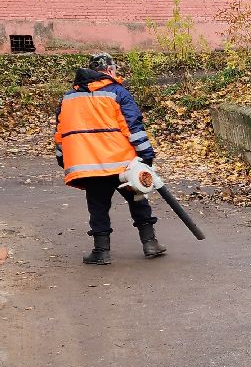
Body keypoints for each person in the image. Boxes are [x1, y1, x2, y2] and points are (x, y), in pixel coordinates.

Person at [53, 52, 167, 264]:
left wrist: (63, 159)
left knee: (97, 206)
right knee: (138, 199)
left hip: (89, 166)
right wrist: (146, 157)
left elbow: (60, 134)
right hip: (122, 164)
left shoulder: (68, 98)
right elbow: (133, 127)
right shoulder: (118, 93)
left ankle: (101, 252)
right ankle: (150, 242)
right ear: (109, 70)